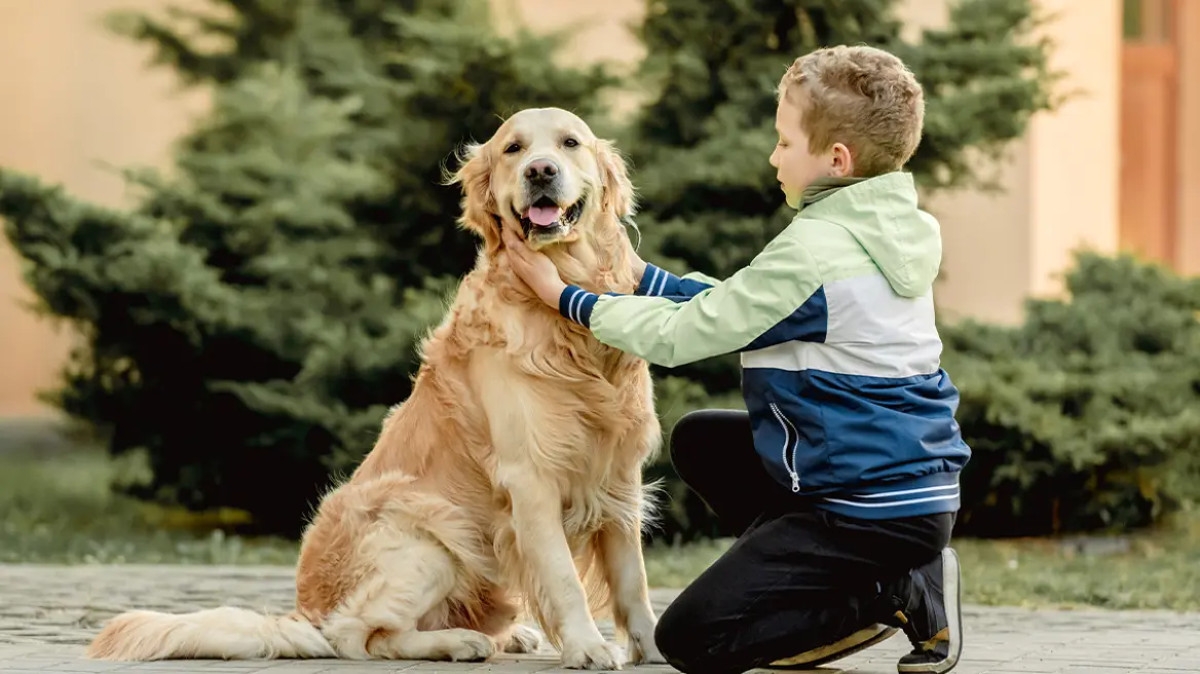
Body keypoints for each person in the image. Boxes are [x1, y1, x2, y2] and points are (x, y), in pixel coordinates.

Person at [501, 44, 970, 674]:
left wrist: (567, 298)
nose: (774, 157)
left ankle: (892, 590)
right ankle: (882, 569)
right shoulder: (892, 229)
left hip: (865, 508)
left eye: (784, 143)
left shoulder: (816, 249)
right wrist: (640, 276)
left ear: (836, 159)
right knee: (702, 440)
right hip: (904, 485)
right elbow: (744, 306)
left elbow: (686, 335)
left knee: (693, 640)